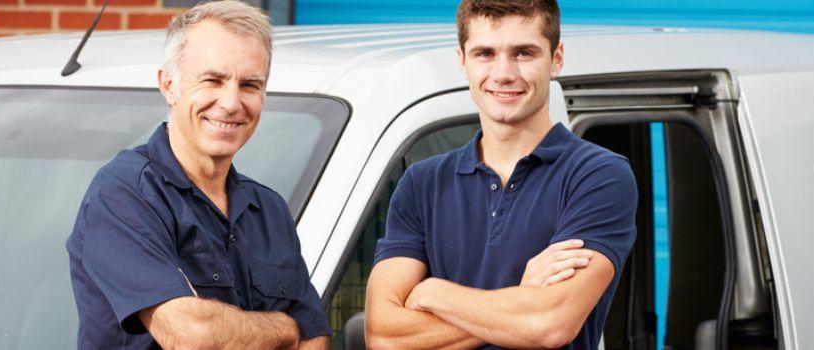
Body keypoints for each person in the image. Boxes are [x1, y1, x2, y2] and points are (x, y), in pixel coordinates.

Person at [364, 0, 638, 348]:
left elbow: (549, 325)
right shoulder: (422, 184)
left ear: (556, 59)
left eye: (524, 53)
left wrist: (433, 293)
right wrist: (521, 298)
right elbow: (384, 336)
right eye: (485, 53)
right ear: (462, 62)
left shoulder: (597, 176)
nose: (504, 73)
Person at [65, 1, 330, 348]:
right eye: (212, 80)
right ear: (168, 84)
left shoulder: (270, 210)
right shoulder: (123, 195)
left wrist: (231, 328)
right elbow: (194, 337)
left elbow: (316, 340)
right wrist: (283, 329)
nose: (232, 103)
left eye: (250, 85)